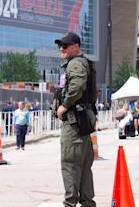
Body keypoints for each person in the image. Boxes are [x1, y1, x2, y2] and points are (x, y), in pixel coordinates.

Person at [54, 32, 97, 207]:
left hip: (74, 121)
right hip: (82, 120)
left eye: (65, 46)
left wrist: (64, 105)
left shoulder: (76, 64)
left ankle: (70, 204)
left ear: (76, 47)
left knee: (70, 164)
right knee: (84, 166)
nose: (61, 49)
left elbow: (77, 86)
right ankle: (87, 203)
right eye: (60, 46)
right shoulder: (79, 62)